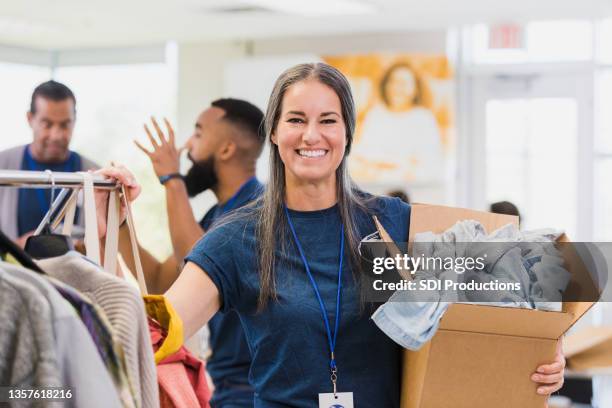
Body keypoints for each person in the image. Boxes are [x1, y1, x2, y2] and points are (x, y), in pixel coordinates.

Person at [100, 63, 565, 407]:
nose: (312, 135)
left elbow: (535, 285)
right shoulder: (238, 239)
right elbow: (158, 330)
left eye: (328, 120)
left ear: (347, 133)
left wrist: (548, 352)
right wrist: (115, 225)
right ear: (276, 133)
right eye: (296, 119)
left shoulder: (394, 224)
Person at [120, 99, 264, 407]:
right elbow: (163, 281)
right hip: (226, 388)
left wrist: (172, 179)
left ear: (226, 150)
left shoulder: (260, 211)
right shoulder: (215, 216)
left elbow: (202, 258)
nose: (187, 145)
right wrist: (118, 221)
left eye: (198, 134)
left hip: (253, 390)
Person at [0, 80, 98, 246]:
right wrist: (17, 248)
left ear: (74, 121)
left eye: (65, 125)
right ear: (30, 119)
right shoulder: (3, 166)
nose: (56, 135)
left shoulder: (95, 174)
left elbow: (106, 247)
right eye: (47, 124)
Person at [350, 62, 444, 184]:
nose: (397, 88)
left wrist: (394, 165)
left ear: (415, 88)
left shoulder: (423, 118)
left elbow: (429, 162)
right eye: (393, 82)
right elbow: (364, 153)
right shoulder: (376, 114)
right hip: (375, 180)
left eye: (403, 83)